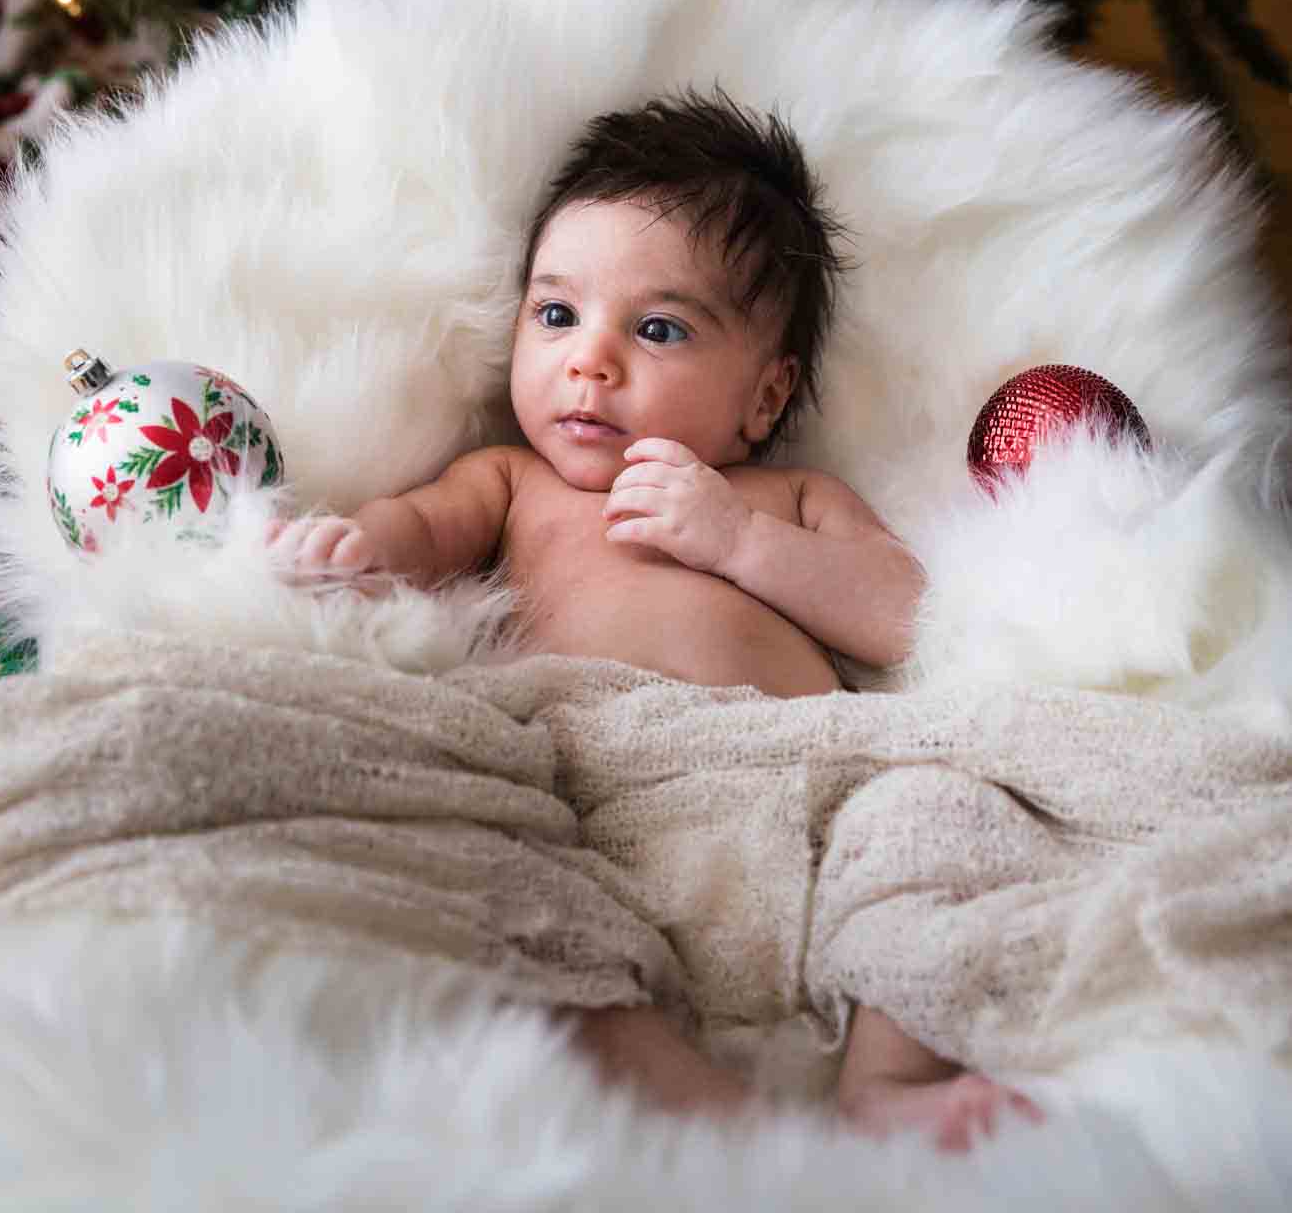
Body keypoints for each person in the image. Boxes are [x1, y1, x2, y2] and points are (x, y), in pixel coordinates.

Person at [272, 90, 1043, 1152]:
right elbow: (421, 521)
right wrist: (355, 546)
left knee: (945, 809)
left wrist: (737, 540)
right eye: (556, 313)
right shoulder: (510, 478)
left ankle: (891, 1074)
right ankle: (708, 1117)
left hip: (801, 791)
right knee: (512, 899)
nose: (590, 359)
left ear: (764, 399)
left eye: (659, 327)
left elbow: (907, 615)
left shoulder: (787, 498)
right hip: (593, 801)